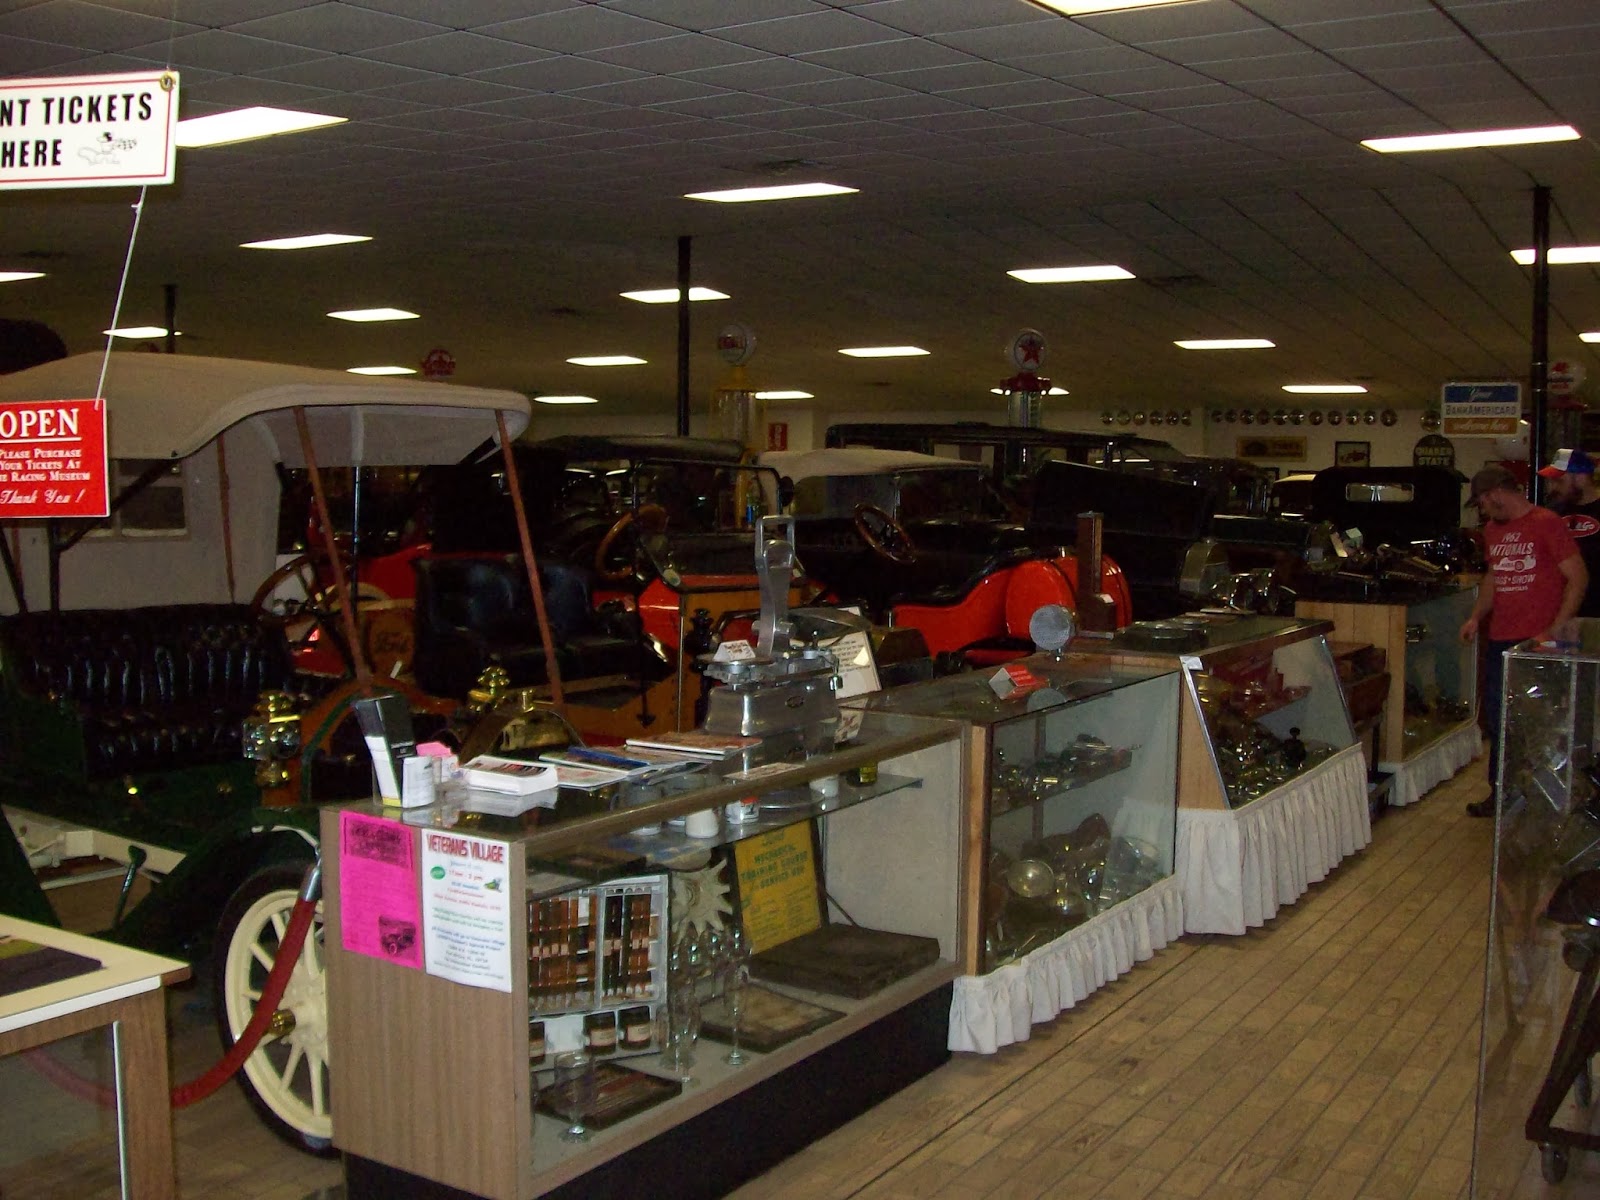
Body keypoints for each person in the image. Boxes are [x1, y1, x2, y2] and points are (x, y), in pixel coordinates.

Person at [1458, 464, 1587, 817]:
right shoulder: (1492, 531)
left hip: (1538, 643)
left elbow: (1577, 577)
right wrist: (1476, 616)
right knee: (1501, 720)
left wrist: (1556, 628)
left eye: (1483, 500)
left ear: (1496, 494)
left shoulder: (1546, 523)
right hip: (1502, 638)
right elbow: (1494, 578)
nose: (1484, 508)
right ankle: (1501, 793)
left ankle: (1546, 798)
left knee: (1544, 721)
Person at [1539, 447, 1600, 617]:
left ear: (1581, 478)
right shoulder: (1551, 514)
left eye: (1559, 481)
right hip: (1559, 611)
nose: (1553, 487)